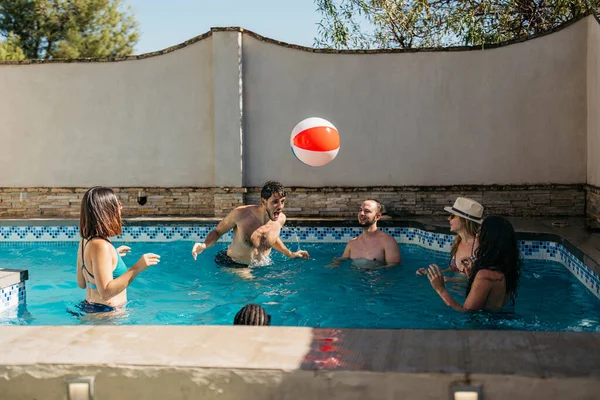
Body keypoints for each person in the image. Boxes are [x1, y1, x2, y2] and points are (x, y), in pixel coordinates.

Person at [75, 186, 160, 312]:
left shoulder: (85, 241)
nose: (121, 207)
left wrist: (111, 256)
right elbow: (106, 292)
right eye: (117, 204)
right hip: (105, 314)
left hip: (90, 307)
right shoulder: (101, 246)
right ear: (106, 210)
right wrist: (138, 267)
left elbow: (82, 283)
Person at [191, 181, 309, 266]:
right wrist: (204, 245)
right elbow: (218, 231)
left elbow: (271, 238)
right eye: (275, 202)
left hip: (259, 265)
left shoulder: (281, 219)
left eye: (282, 202)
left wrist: (291, 254)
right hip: (233, 263)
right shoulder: (241, 214)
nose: (280, 206)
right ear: (263, 201)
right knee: (253, 287)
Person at [427, 216, 521, 312]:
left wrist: (440, 289)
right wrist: (472, 276)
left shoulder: (485, 275)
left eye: (480, 232)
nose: (476, 235)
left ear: (488, 238)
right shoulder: (507, 270)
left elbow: (466, 312)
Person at [417, 197, 483, 280]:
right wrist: (433, 273)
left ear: (466, 220)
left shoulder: (480, 245)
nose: (448, 219)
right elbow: (453, 269)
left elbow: (481, 279)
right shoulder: (457, 242)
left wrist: (452, 280)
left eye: (452, 216)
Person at [334, 199, 401, 268]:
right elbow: (342, 259)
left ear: (377, 217)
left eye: (367, 211)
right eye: (360, 210)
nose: (361, 214)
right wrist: (335, 263)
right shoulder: (352, 243)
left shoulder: (388, 242)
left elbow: (393, 267)